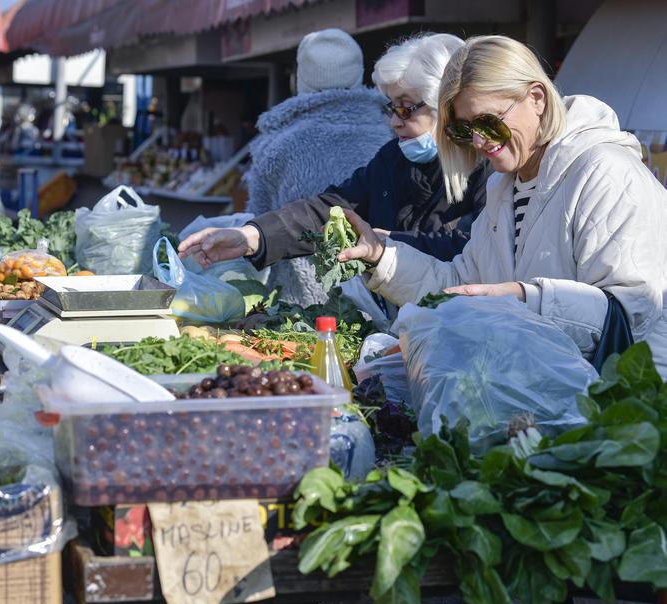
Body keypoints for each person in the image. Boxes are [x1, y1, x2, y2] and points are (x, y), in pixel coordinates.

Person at [335, 35, 667, 374]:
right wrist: (382, 257)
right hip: (560, 399)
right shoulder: (505, 186)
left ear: (536, 98)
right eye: (464, 130)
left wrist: (521, 300)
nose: (479, 141)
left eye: (488, 121)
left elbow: (631, 311)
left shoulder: (605, 173)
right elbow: (463, 284)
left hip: (633, 407)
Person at [180, 33, 490, 308]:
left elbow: (473, 252)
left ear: (446, 106)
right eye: (390, 107)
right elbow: (330, 209)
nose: (394, 121)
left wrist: (386, 245)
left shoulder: (489, 167)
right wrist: (251, 236)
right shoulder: (391, 158)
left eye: (406, 107)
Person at [245, 28, 390, 306]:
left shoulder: (277, 145)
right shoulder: (391, 137)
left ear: (302, 78)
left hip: (299, 305)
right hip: (386, 295)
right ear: (359, 73)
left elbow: (259, 219)